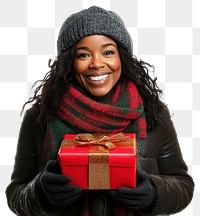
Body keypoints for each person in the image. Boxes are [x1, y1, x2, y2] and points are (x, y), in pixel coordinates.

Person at [6, 6, 194, 216]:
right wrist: (40, 193)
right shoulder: (40, 116)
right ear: (69, 62)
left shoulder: (152, 112)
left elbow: (183, 185)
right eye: (84, 54)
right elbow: (15, 194)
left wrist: (154, 193)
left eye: (108, 52)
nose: (97, 63)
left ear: (121, 57)